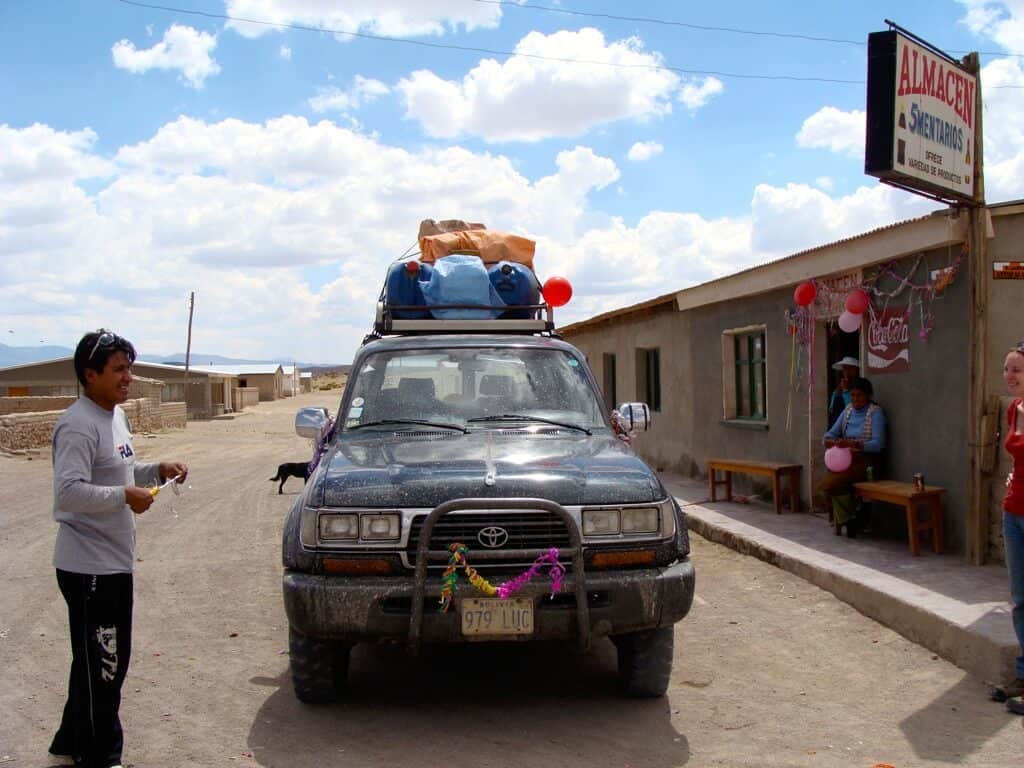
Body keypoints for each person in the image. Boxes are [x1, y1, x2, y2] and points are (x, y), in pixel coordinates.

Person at [48, 330, 188, 768]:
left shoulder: (115, 417)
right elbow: (68, 493)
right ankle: (100, 756)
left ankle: (70, 741)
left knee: (93, 661)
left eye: (129, 367)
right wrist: (124, 496)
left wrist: (154, 469)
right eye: (118, 369)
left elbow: (117, 472)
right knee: (106, 666)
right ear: (90, 375)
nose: (128, 377)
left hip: (112, 562)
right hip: (89, 567)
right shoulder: (77, 423)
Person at [993, 343, 1024, 714]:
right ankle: (1021, 674)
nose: (1010, 376)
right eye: (1007, 368)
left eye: (1017, 369)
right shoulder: (1014, 410)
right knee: (1020, 598)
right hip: (1013, 510)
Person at [819, 376, 886, 537]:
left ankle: (851, 518)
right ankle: (852, 518)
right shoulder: (847, 410)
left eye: (860, 395)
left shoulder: (875, 413)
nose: (856, 399)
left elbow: (878, 444)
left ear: (868, 396)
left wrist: (855, 444)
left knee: (830, 485)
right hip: (846, 460)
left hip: (867, 460)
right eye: (853, 395)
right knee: (829, 486)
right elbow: (830, 433)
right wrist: (829, 440)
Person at [828, 356, 860, 427]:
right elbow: (832, 408)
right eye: (845, 369)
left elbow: (853, 409)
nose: (847, 372)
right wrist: (838, 391)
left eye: (850, 368)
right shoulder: (839, 388)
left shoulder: (860, 386)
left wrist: (846, 391)